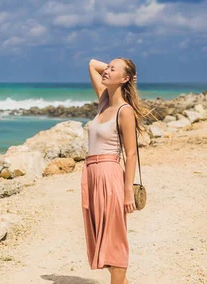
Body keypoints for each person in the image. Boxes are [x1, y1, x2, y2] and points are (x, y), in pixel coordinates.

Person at [82, 57, 154, 284]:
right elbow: (92, 64)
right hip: (91, 175)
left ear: (124, 78)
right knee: (100, 238)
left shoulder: (125, 111)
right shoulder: (104, 101)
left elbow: (131, 154)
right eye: (108, 67)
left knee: (114, 241)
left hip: (110, 174)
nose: (107, 70)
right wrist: (117, 73)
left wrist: (127, 192)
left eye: (113, 69)